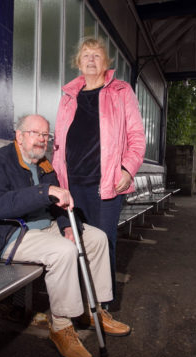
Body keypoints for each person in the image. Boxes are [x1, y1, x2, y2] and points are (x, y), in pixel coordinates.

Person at [0, 114, 130, 357]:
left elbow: (58, 204)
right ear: (19, 135)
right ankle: (60, 326)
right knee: (64, 251)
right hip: (11, 233)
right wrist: (43, 191)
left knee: (96, 238)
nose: (41, 140)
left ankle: (95, 309)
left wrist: (66, 225)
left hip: (45, 228)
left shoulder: (44, 164)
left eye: (45, 135)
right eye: (35, 133)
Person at [52, 38, 146, 304]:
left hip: (105, 184)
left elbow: (137, 136)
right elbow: (59, 142)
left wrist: (128, 169)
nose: (91, 59)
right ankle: (80, 302)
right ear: (78, 62)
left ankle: (102, 305)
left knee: (103, 243)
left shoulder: (121, 91)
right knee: (74, 243)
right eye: (86, 55)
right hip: (72, 185)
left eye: (96, 55)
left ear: (106, 62)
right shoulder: (68, 97)